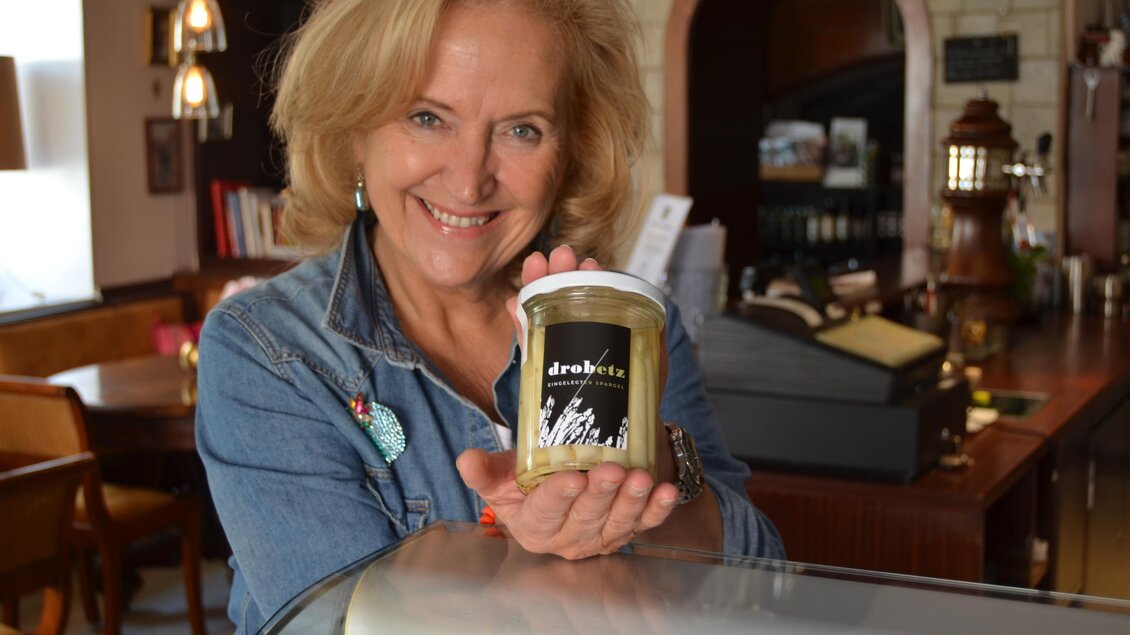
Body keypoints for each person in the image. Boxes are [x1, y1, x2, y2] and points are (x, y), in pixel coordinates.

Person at [195, 0, 784, 631]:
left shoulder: (631, 322)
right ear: (353, 130)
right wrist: (518, 550)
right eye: (427, 117)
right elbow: (329, 623)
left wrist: (661, 470)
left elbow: (759, 583)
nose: (470, 180)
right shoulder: (270, 349)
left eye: (522, 129)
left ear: (571, 154)